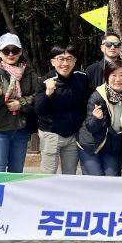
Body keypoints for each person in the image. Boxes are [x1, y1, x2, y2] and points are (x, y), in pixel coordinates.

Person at [0, 33, 37, 173]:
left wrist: (20, 104)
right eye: (6, 51)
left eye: (15, 50)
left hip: (21, 129)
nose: (11, 54)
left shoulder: (29, 73)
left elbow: (37, 97)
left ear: (20, 51)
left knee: (16, 172)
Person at [35, 44, 89, 174]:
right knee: (48, 175)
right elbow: (39, 111)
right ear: (53, 61)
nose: (65, 63)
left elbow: (87, 103)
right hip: (51, 134)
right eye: (61, 59)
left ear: (75, 61)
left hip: (73, 135)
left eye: (69, 59)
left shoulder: (82, 78)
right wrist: (48, 93)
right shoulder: (45, 81)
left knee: (70, 175)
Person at [77, 60, 122, 176]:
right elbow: (90, 127)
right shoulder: (97, 96)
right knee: (96, 178)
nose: (118, 79)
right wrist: (96, 119)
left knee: (112, 179)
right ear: (107, 77)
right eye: (113, 75)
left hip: (113, 145)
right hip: (91, 144)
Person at [85, 31, 122, 98]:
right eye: (108, 44)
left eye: (116, 44)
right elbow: (86, 95)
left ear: (120, 47)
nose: (112, 47)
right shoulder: (91, 70)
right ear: (102, 48)